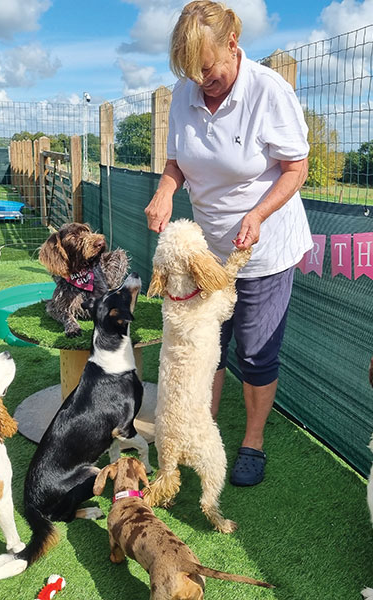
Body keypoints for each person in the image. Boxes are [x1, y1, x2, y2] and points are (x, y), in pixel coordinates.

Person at [145, 0, 312, 486]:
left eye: (209, 69)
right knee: (203, 345)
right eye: (192, 73)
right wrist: (164, 190)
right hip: (206, 252)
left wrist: (258, 213)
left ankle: (252, 443)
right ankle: (203, 428)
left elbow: (295, 168)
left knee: (257, 351)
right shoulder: (184, 92)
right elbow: (177, 160)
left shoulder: (269, 92)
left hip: (262, 247)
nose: (202, 81)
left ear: (233, 46)